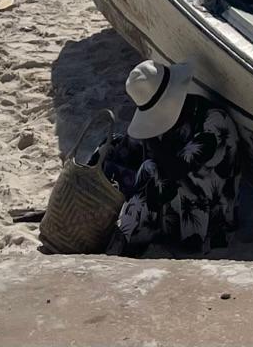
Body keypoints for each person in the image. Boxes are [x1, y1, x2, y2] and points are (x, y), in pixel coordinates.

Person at [100, 60, 241, 255]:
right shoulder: (181, 114)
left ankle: (121, 246)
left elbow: (175, 171)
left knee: (150, 170)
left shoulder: (214, 124)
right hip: (176, 200)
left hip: (208, 218)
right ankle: (116, 232)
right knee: (113, 148)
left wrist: (150, 139)